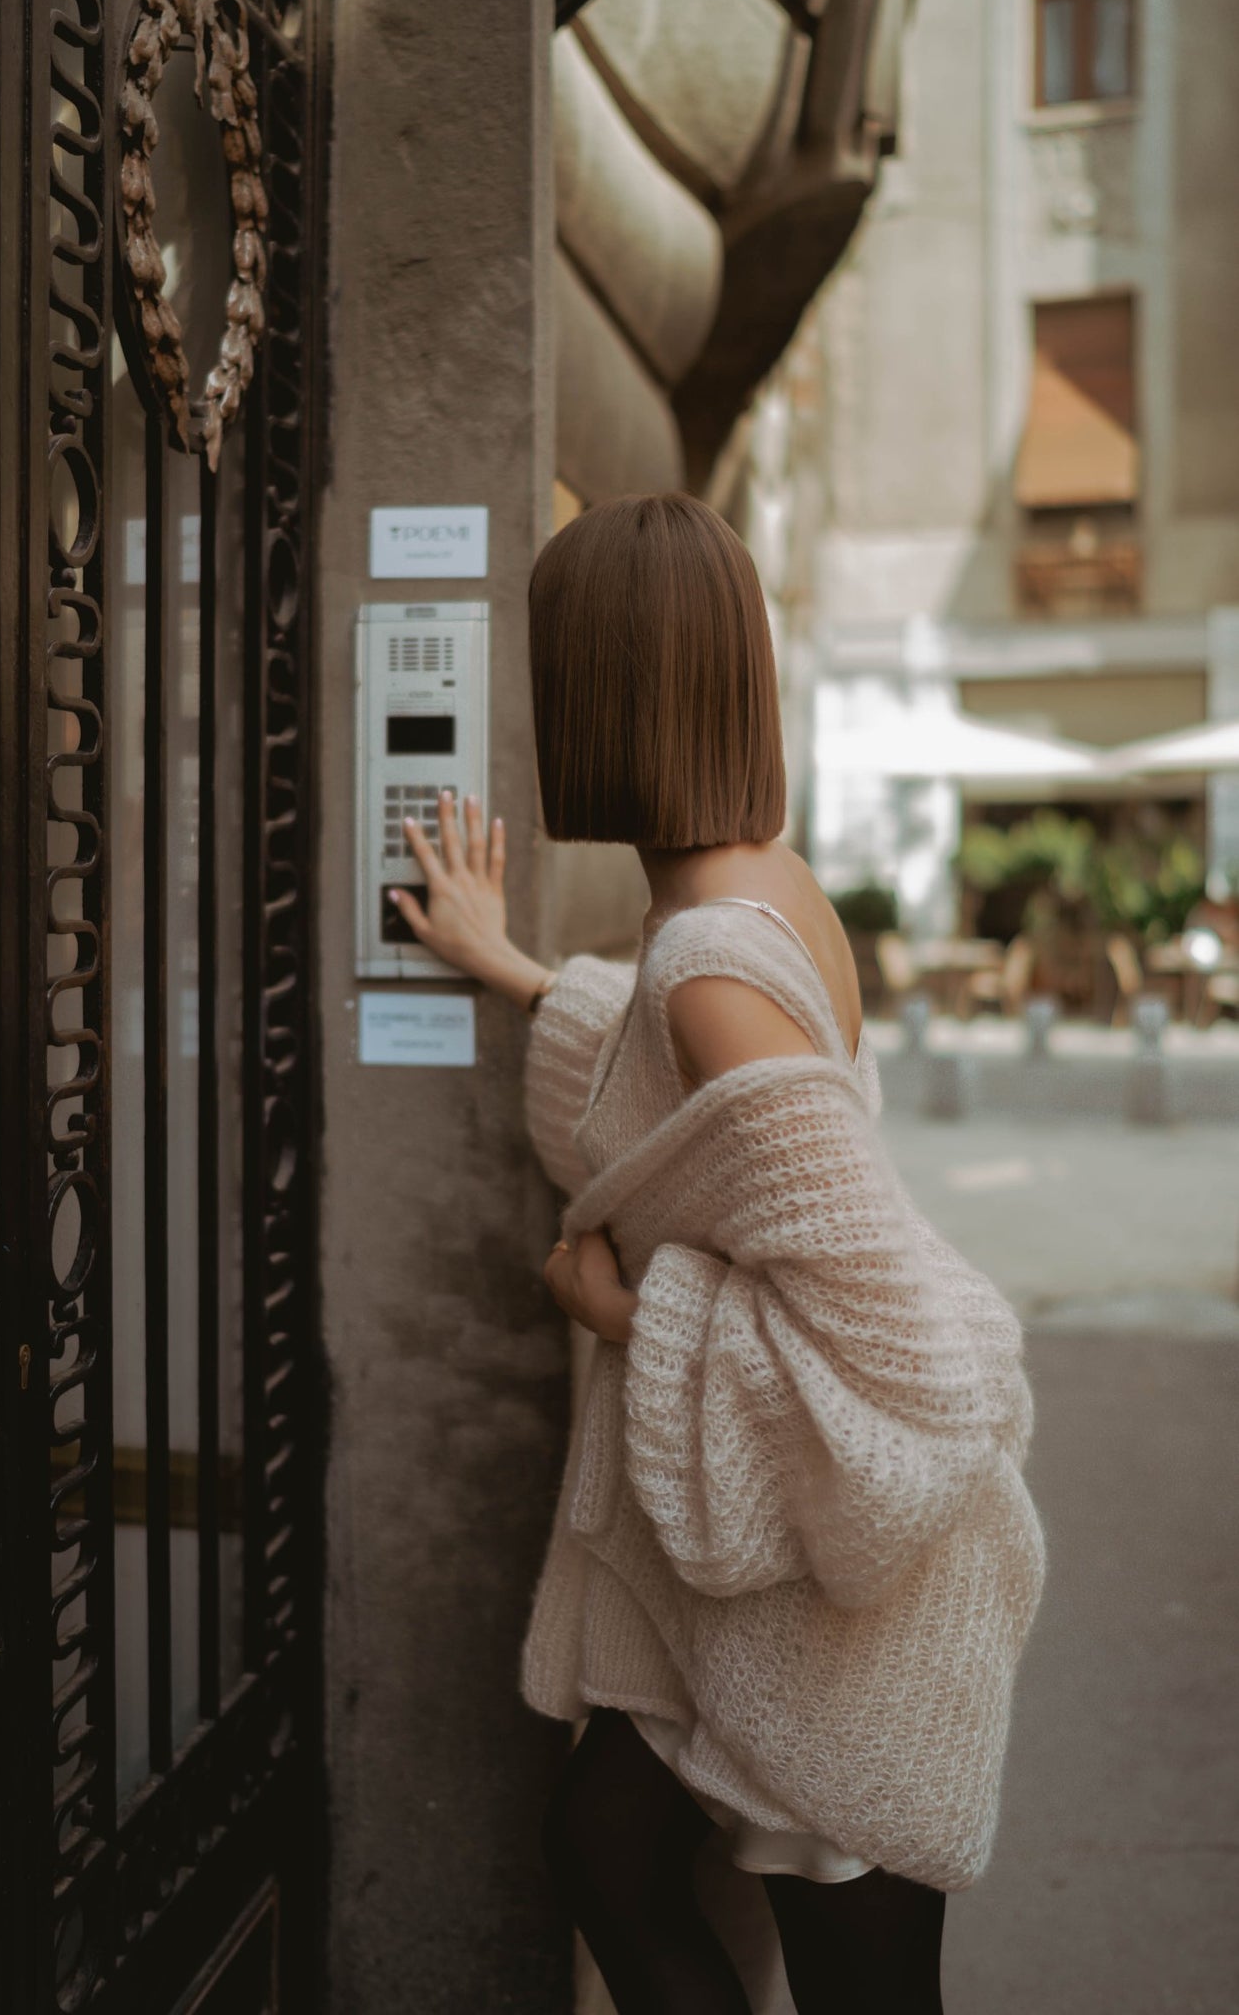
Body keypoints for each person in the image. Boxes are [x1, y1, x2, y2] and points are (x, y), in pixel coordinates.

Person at [387, 493, 1046, 2015]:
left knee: (849, 1985)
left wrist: (626, 1310)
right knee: (604, 1852)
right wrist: (520, 972)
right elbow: (706, 1113)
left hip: (836, 1611)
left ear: (599, 695)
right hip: (749, 1602)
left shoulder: (705, 958)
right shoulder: (741, 881)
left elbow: (905, 1364)